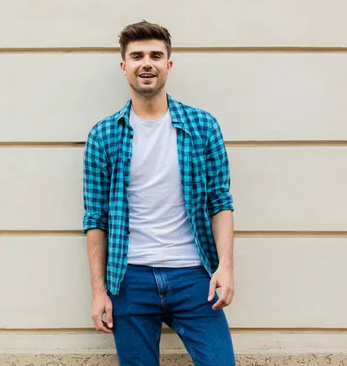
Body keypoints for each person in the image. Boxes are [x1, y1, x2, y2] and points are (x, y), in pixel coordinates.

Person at [82, 20, 236, 365]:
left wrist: (225, 267)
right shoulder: (104, 134)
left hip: (194, 276)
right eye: (137, 56)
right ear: (124, 67)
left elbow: (220, 201)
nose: (146, 62)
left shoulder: (202, 125)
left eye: (155, 55)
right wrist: (99, 292)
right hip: (130, 277)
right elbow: (96, 218)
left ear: (169, 64)